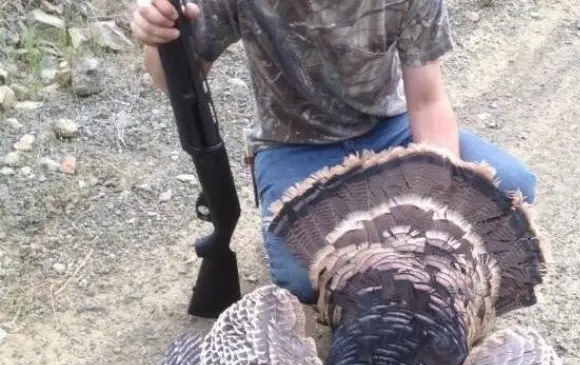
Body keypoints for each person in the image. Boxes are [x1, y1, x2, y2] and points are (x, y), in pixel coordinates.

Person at [131, 0, 537, 303]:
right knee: (304, 278)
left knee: (510, 189)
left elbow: (428, 102)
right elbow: (172, 79)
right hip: (293, 146)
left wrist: (439, 209)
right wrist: (158, 35)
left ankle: (381, 233)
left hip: (388, 127)